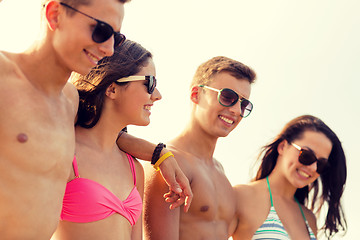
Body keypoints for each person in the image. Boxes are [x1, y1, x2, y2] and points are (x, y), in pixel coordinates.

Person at [0, 1, 191, 239]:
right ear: (55, 14)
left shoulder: (68, 102)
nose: (109, 49)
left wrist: (159, 154)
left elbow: (103, 131)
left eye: (116, 37)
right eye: (101, 30)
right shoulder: (3, 78)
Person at [51, 39, 161, 240]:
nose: (158, 95)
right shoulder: (65, 154)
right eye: (150, 84)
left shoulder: (134, 169)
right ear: (112, 89)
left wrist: (163, 155)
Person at [143, 56, 257, 240]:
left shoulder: (221, 173)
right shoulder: (169, 162)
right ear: (196, 94)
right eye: (228, 97)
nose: (236, 110)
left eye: (244, 104)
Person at [232, 115, 347, 240]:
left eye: (321, 164)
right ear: (282, 147)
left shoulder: (309, 218)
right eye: (307, 155)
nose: (313, 168)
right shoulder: (241, 196)